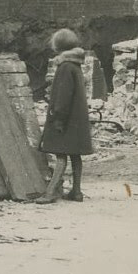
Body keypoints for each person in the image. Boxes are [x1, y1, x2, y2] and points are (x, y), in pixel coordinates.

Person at [40, 27, 92, 200]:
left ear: (58, 46)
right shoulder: (75, 65)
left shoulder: (64, 67)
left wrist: (58, 119)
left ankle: (49, 192)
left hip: (66, 120)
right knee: (75, 156)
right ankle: (76, 191)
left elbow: (63, 97)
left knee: (60, 154)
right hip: (77, 120)